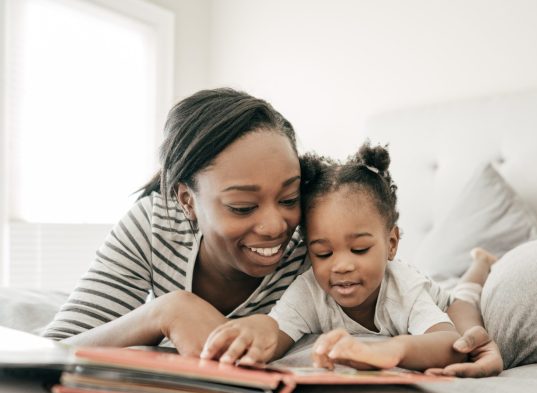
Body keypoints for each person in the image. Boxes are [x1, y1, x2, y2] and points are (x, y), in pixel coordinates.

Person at [43, 88, 501, 377]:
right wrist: (163, 312)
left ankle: (480, 263)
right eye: (242, 205)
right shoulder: (152, 226)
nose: (275, 226)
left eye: (289, 198)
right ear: (186, 200)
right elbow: (46, 353)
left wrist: (466, 335)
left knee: (460, 286)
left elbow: (406, 308)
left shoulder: (317, 245)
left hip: (434, 289)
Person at [200, 142, 503, 375]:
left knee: (465, 301)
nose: (342, 265)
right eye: (323, 253)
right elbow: (276, 332)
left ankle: (481, 263)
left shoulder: (404, 288)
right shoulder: (309, 291)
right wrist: (253, 331)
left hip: (443, 300)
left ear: (392, 243)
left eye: (359, 250)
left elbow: (447, 343)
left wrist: (392, 350)